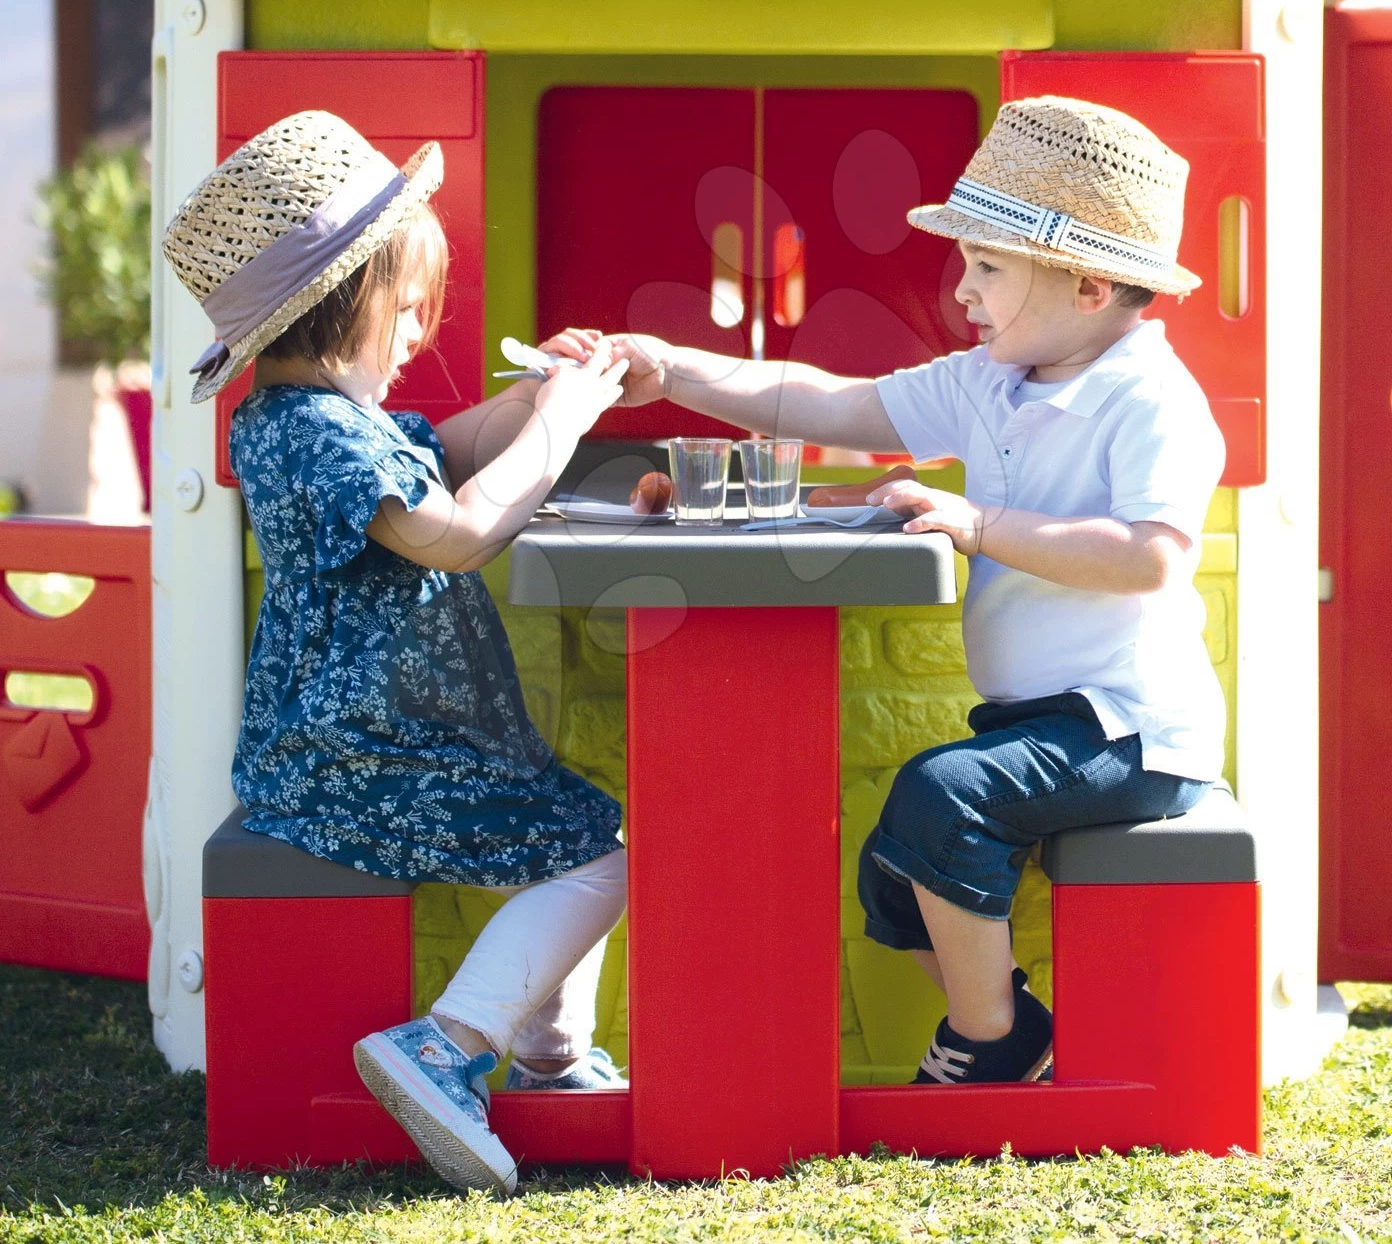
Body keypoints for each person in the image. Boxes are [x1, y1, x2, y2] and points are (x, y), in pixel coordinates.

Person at [611, 96, 1225, 1085]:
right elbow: (833, 401)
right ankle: (1010, 1024)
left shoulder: (1150, 399)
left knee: (944, 796)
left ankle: (989, 1041)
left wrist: (979, 524)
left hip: (1131, 729)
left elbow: (1150, 556)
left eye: (988, 266)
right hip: (1042, 720)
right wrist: (670, 368)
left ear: (1087, 284)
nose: (964, 289)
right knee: (896, 866)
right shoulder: (993, 379)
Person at [163, 110, 631, 1193]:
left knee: (578, 833)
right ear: (346, 301)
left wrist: (534, 397)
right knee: (596, 854)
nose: (421, 330)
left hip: (375, 738)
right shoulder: (312, 431)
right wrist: (561, 428)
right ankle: (449, 1044)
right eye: (409, 305)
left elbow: (448, 449)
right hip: (362, 751)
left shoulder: (328, 417)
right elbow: (455, 533)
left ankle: (553, 1060)